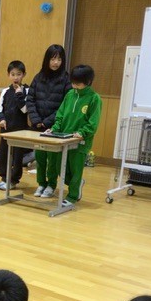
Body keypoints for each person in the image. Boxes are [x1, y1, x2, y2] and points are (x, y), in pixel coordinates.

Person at [47, 65, 102, 206]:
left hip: (80, 142)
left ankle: (72, 196)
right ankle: (77, 185)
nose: (74, 86)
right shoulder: (70, 94)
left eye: (78, 83)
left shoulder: (94, 98)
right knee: (61, 169)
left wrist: (82, 133)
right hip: (64, 139)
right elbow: (60, 114)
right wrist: (54, 128)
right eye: (73, 82)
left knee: (75, 170)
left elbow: (93, 122)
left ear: (88, 82)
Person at [26, 44, 72, 198]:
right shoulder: (38, 77)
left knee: (52, 159)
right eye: (53, 59)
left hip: (54, 127)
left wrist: (47, 121)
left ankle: (51, 185)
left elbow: (65, 105)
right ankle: (41, 183)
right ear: (47, 60)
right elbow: (30, 99)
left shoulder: (66, 79)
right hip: (38, 126)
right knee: (40, 157)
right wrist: (36, 119)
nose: (55, 62)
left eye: (59, 59)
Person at [0, 60, 30, 190]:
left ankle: (14, 180)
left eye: (19, 74)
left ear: (24, 75)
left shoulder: (27, 90)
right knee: (3, 154)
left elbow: (25, 109)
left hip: (20, 130)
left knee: (17, 156)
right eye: (13, 74)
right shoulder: (5, 91)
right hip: (6, 129)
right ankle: (4, 178)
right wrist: (1, 119)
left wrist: (19, 94)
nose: (16, 77)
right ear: (8, 75)